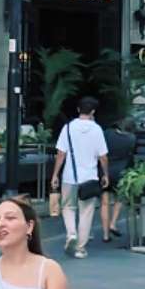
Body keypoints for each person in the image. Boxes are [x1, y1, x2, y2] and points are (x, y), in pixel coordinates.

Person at [51, 99, 110, 259]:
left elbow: (61, 154)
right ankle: (80, 248)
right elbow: (103, 156)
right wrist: (105, 174)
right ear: (93, 112)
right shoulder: (97, 130)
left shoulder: (68, 127)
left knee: (68, 207)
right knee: (86, 212)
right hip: (89, 177)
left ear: (78, 109)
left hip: (69, 176)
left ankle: (71, 234)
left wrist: (55, 174)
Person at [99, 122, 137, 246]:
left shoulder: (108, 134)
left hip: (105, 171)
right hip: (121, 172)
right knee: (120, 198)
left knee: (104, 203)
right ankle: (113, 223)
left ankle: (105, 235)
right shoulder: (131, 139)